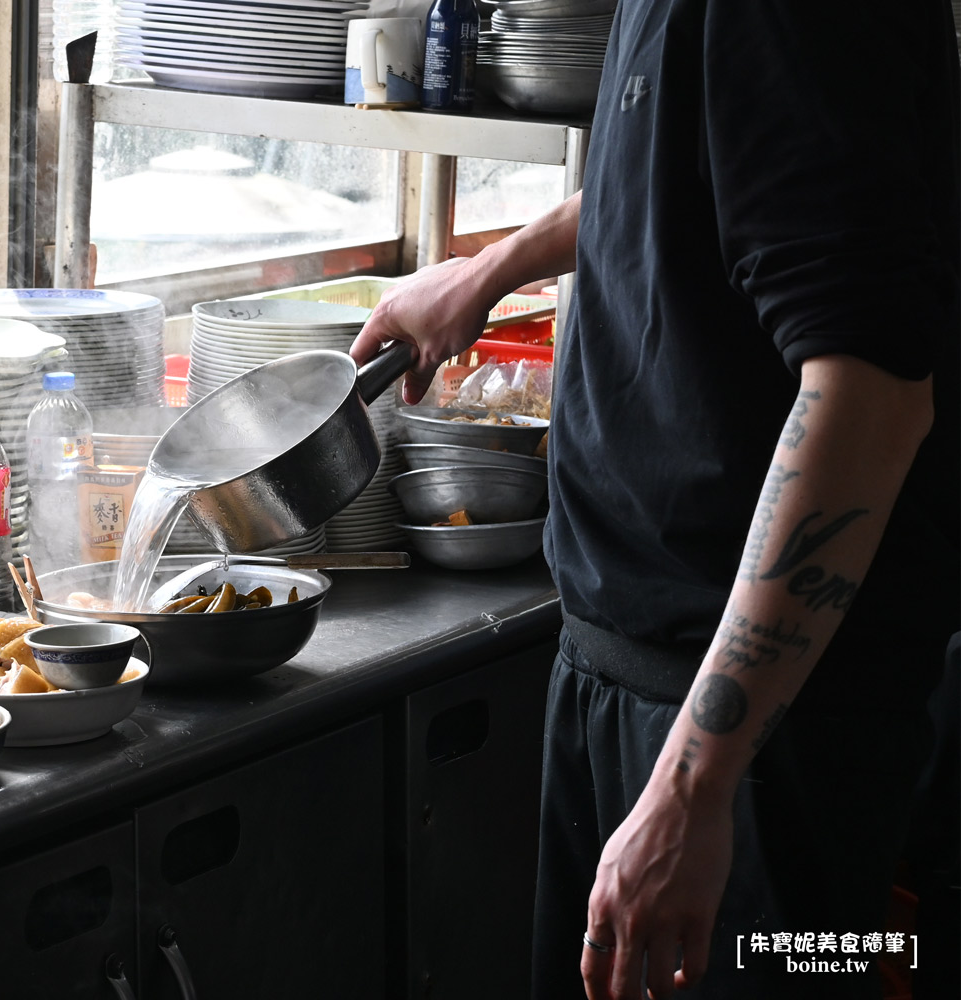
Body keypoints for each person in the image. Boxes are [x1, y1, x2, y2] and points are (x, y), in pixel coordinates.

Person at [351, 1, 960, 997]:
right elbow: (691, 173)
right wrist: (487, 272)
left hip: (752, 736)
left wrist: (693, 786)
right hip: (644, 679)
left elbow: (872, 393)